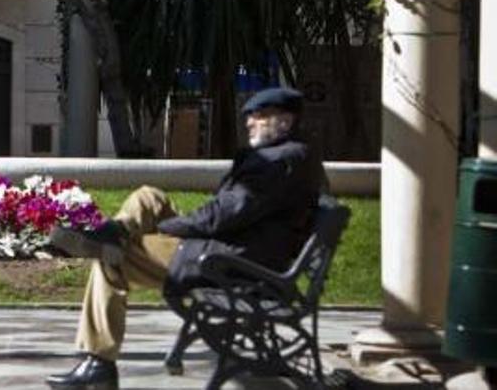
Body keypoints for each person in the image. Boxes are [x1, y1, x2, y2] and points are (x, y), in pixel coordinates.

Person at [45, 87, 327, 389]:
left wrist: (169, 228)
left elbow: (221, 216)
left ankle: (98, 363)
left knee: (111, 259)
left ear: (284, 121)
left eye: (258, 117)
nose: (249, 123)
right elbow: (231, 214)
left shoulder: (276, 163)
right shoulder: (295, 155)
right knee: (148, 197)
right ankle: (114, 232)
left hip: (231, 263)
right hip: (244, 251)